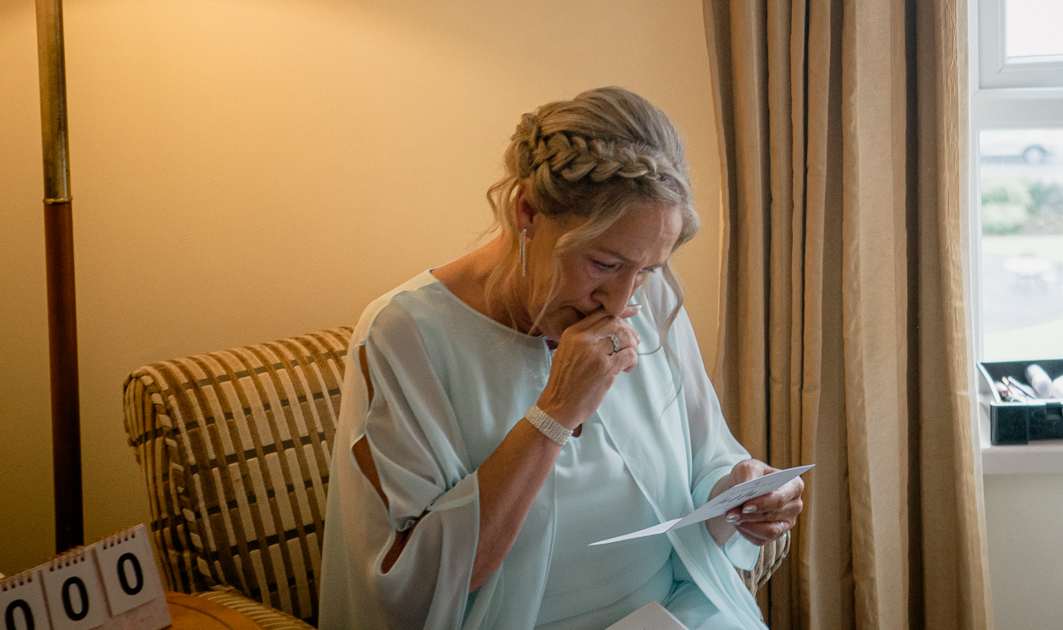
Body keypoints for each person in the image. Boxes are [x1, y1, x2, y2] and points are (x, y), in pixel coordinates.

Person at [318, 87, 802, 630]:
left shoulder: (651, 296)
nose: (622, 303)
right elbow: (409, 591)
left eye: (645, 269)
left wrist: (741, 493)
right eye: (603, 263)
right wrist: (555, 413)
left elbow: (705, 457)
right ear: (528, 211)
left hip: (676, 615)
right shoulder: (407, 334)